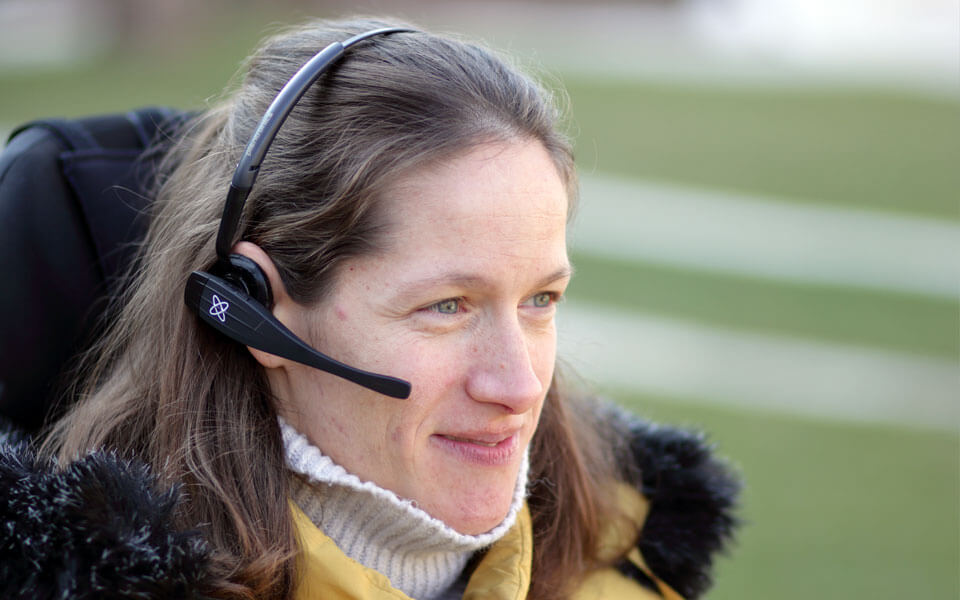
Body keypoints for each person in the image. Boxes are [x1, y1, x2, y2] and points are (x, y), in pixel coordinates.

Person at [0, 17, 738, 600]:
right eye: (448, 307)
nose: (519, 387)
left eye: (540, 299)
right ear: (254, 310)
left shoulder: (630, 565)